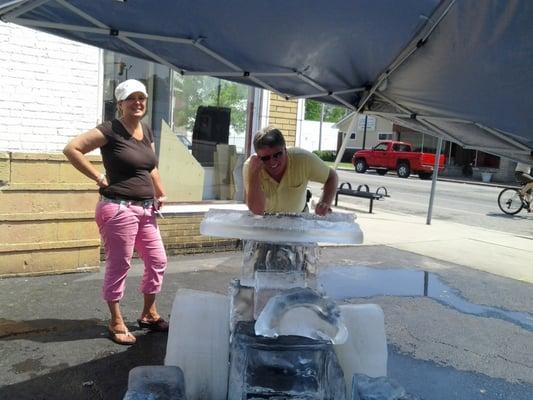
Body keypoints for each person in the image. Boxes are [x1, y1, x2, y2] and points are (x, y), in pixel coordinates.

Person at [63, 79, 168, 345]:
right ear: (120, 104)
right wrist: (99, 177)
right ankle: (116, 321)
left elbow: (151, 167)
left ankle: (148, 313)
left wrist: (160, 191)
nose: (138, 103)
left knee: (157, 261)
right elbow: (72, 148)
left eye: (141, 98)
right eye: (131, 98)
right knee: (119, 264)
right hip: (118, 208)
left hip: (146, 210)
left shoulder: (146, 130)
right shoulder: (110, 130)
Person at [243, 126, 338, 216]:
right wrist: (254, 174)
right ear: (258, 157)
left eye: (277, 154)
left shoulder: (303, 159)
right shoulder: (251, 167)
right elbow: (257, 210)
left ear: (285, 149)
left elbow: (332, 176)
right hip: (265, 220)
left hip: (298, 219)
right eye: (266, 158)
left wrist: (324, 202)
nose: (272, 161)